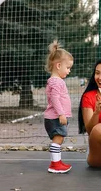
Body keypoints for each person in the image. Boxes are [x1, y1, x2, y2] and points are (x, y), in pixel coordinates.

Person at [43, 40, 74, 174]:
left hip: (55, 117)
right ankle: (55, 165)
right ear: (58, 65)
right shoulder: (56, 82)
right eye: (67, 68)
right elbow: (55, 99)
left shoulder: (55, 81)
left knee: (59, 139)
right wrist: (61, 114)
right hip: (55, 117)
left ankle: (57, 161)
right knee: (58, 139)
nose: (69, 71)